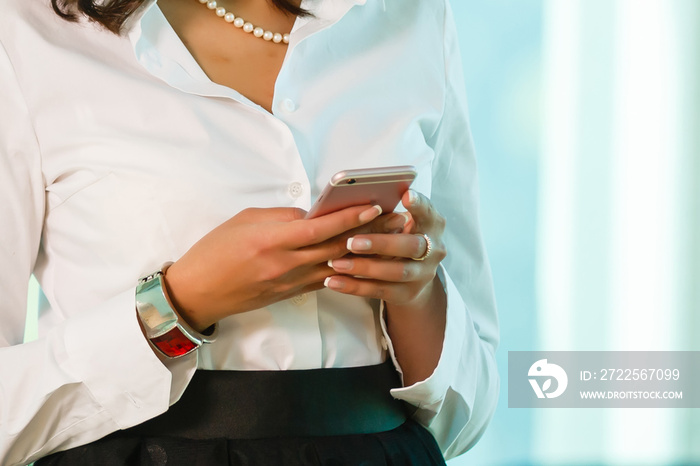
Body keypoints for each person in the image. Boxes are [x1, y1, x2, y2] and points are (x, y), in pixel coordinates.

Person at [0, 0, 500, 463]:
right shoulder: (26, 32)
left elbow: (468, 411)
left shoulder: (410, 17)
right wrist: (175, 307)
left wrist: (415, 295)